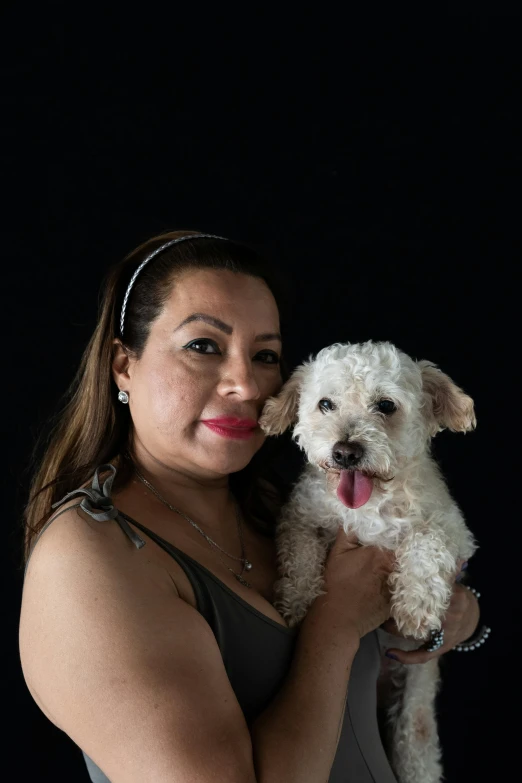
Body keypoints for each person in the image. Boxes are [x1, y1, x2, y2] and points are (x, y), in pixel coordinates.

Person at [19, 231, 480, 783]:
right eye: (203, 346)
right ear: (123, 364)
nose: (245, 384)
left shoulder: (279, 509)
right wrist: (332, 627)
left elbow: (369, 695)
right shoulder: (87, 558)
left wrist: (454, 621)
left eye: (265, 356)